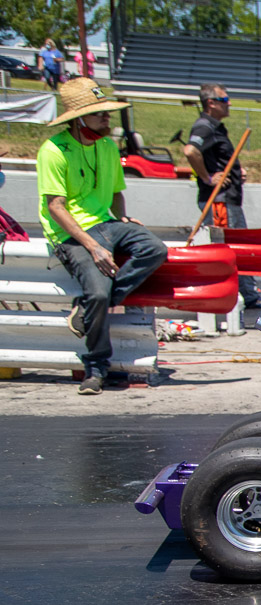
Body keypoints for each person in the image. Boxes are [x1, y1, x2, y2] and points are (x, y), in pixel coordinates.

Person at [36, 78, 167, 394]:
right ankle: (95, 368)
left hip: (106, 223)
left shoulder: (107, 146)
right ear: (79, 119)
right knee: (97, 294)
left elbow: (117, 193)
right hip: (70, 234)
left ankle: (87, 309)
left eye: (107, 112)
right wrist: (93, 246)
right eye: (99, 113)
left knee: (155, 249)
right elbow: (55, 207)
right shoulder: (53, 150)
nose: (107, 117)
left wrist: (121, 218)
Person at [184, 82, 261, 309]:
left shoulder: (215, 127)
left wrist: (235, 172)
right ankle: (242, 296)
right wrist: (207, 177)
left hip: (228, 198)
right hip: (219, 201)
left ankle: (244, 294)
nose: (229, 103)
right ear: (211, 103)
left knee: (236, 245)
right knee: (232, 247)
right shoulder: (205, 126)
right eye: (224, 100)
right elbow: (190, 150)